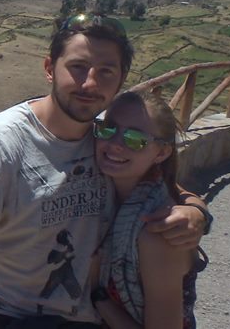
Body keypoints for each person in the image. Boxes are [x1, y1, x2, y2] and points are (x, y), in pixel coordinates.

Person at [0, 14, 209, 329]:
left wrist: (196, 210)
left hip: (94, 317)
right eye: (78, 67)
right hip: (8, 316)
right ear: (49, 68)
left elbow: (154, 183)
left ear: (121, 78)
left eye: (105, 72)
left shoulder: (108, 139)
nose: (89, 84)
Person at [90, 90, 207, 329]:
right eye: (108, 129)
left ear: (162, 152)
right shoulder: (108, 192)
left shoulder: (157, 232)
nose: (115, 145)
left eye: (135, 139)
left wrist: (96, 294)